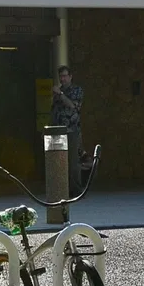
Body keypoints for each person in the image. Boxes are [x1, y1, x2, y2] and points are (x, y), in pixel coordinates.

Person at [50, 65, 84, 193]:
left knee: (73, 162)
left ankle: (76, 190)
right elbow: (53, 110)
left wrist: (61, 94)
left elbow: (72, 106)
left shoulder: (77, 90)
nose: (62, 79)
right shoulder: (58, 92)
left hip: (72, 130)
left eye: (64, 76)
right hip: (58, 131)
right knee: (59, 162)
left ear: (70, 76)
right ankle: (61, 189)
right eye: (60, 76)